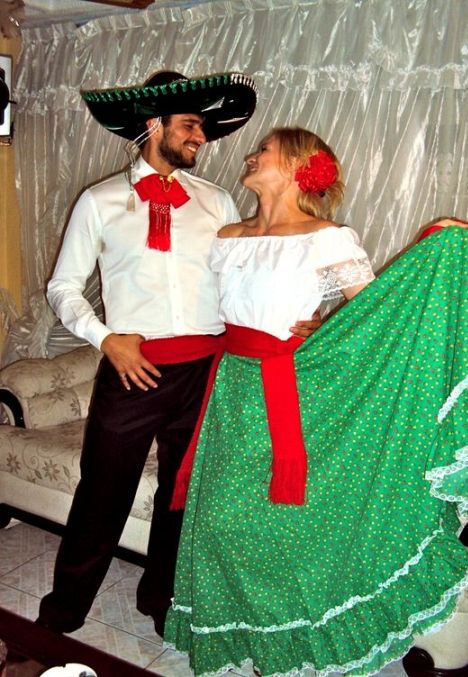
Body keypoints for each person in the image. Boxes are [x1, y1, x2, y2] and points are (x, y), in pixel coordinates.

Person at [164, 127, 468, 675]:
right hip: (231, 390)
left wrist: (329, 322)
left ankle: (294, 645)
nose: (251, 155)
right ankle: (249, 633)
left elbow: (378, 320)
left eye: (266, 150)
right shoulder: (227, 235)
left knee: (284, 527)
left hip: (297, 394)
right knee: (226, 523)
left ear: (301, 165)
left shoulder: (329, 238)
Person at [37, 71, 318, 638]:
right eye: (190, 125)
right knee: (100, 496)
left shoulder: (215, 202)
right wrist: (105, 338)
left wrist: (300, 316)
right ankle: (59, 619)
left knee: (180, 497)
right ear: (152, 124)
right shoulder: (99, 201)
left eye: (204, 129)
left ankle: (162, 604)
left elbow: (253, 270)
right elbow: (62, 287)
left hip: (208, 370)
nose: (202, 138)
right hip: (132, 369)